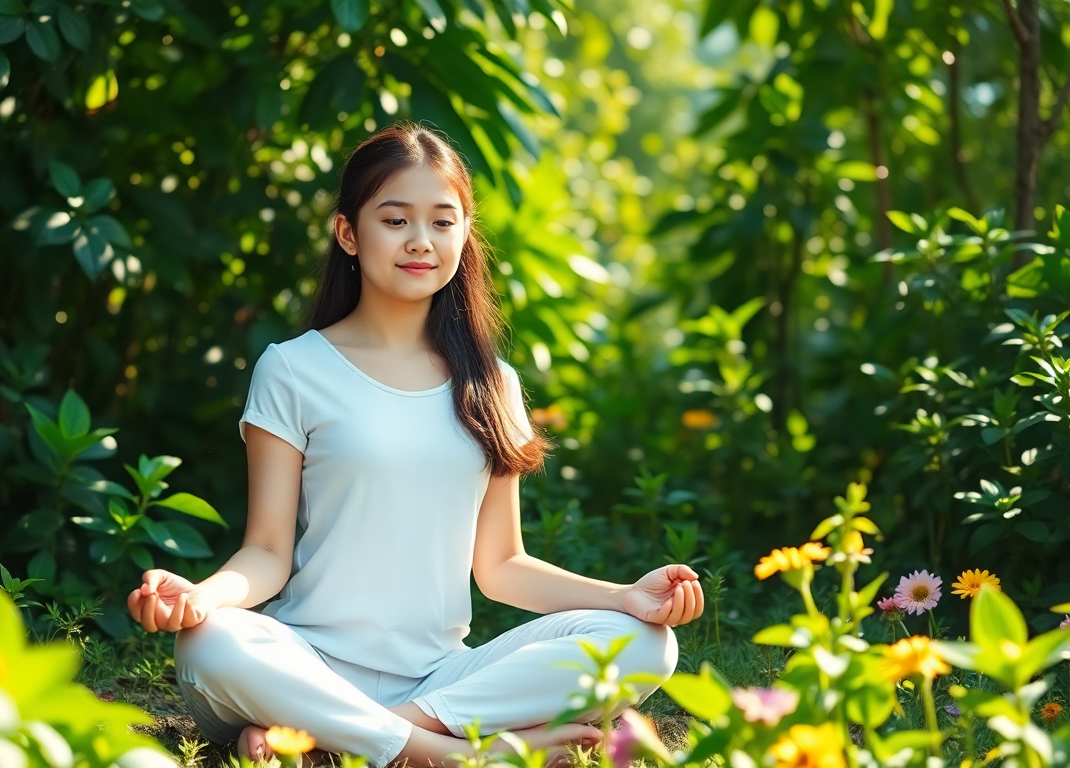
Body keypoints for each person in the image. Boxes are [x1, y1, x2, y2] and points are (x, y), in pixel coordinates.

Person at [126, 122, 705, 768]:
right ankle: (455, 755)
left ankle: (345, 737)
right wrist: (201, 598)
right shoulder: (293, 369)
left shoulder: (493, 383)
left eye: (442, 221)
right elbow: (266, 552)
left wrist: (623, 597)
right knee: (210, 644)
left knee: (648, 645)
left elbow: (502, 567)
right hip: (301, 664)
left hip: (441, 684)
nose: (421, 242)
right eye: (395, 220)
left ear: (464, 233)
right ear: (349, 234)